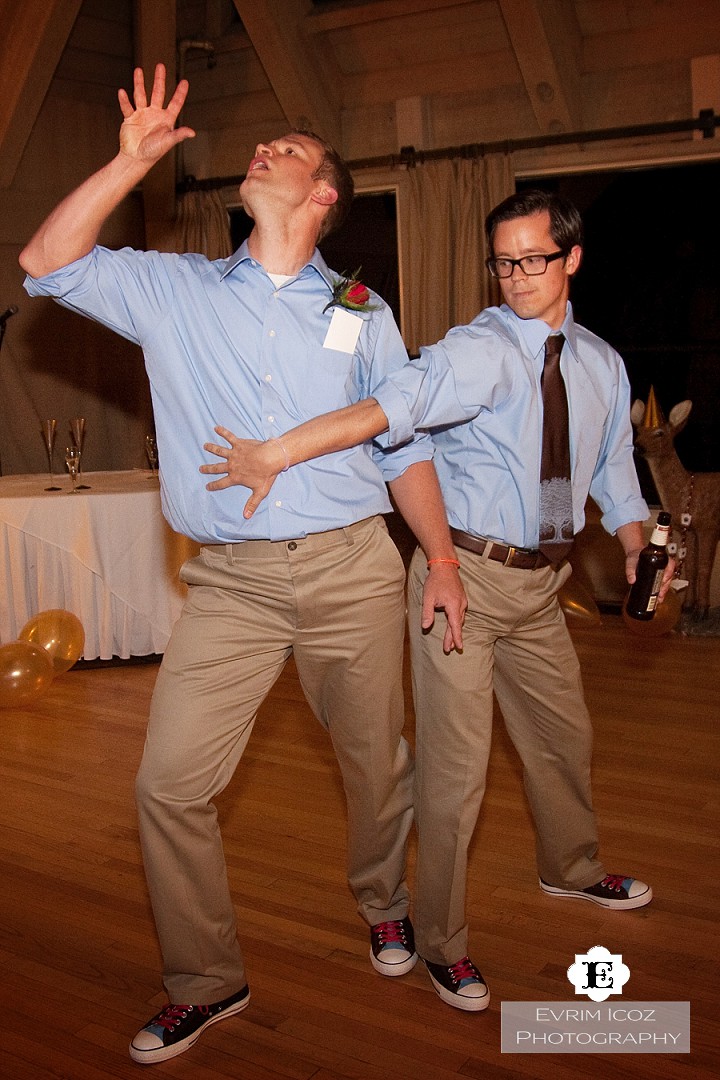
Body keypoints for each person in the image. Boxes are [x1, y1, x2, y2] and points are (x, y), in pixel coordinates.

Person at [19, 64, 467, 1063]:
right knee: (166, 785)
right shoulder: (173, 290)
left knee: (375, 764)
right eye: (260, 147)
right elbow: (44, 263)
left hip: (353, 569)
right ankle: (205, 978)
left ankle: (385, 903)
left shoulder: (356, 308)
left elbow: (401, 442)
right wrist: (124, 164)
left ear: (322, 195)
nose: (264, 150)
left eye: (291, 150)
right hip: (230, 585)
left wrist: (438, 558)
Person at [198, 188, 675, 1014]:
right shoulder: (478, 351)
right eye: (504, 261)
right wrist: (282, 450)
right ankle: (441, 943)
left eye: (535, 259)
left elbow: (611, 472)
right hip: (464, 581)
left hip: (543, 586)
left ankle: (571, 869)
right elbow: (395, 407)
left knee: (565, 740)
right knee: (456, 778)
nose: (518, 277)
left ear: (572, 259)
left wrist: (636, 539)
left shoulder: (600, 362)